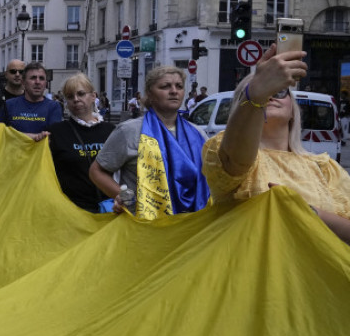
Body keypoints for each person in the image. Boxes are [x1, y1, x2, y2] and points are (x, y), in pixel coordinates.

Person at [201, 45, 350, 244]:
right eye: (265, 90)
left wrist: (308, 212)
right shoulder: (225, 149)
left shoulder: (324, 168)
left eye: (280, 91)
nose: (270, 95)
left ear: (292, 111)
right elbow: (237, 160)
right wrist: (255, 94)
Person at [90, 66, 209, 219]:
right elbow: (97, 171)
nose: (174, 91)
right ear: (150, 94)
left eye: (179, 86)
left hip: (192, 225)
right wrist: (122, 196)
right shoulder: (129, 131)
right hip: (143, 226)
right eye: (165, 86)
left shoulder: (198, 134)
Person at [47, 73, 116, 212]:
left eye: (81, 94)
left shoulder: (111, 131)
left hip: (109, 210)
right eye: (70, 96)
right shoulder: (56, 132)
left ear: (93, 96)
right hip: (73, 212)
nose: (76, 99)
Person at [0, 62, 62, 141]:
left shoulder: (54, 107)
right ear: (23, 82)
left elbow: (54, 138)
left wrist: (17, 135)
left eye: (41, 78)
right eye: (33, 78)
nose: (37, 82)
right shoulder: (9, 105)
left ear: (46, 84)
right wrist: (36, 137)